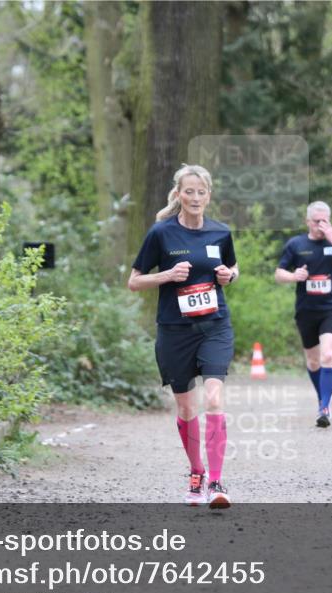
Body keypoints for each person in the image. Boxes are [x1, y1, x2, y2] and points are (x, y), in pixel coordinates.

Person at [127, 165, 238, 509]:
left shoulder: (220, 232)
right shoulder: (161, 234)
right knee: (187, 407)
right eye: (188, 192)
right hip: (175, 330)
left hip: (214, 325)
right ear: (178, 195)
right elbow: (134, 281)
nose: (195, 198)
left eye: (200, 192)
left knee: (214, 398)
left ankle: (217, 483)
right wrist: (168, 276)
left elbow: (233, 268)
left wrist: (227, 276)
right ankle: (196, 472)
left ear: (209, 195)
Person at [275, 202, 332, 427]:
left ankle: (324, 407)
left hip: (330, 309)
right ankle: (322, 398)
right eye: (316, 221)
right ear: (307, 222)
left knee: (328, 356)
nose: (320, 226)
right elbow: (278, 274)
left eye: (324, 221)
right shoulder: (296, 244)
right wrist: (294, 276)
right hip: (306, 311)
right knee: (313, 362)